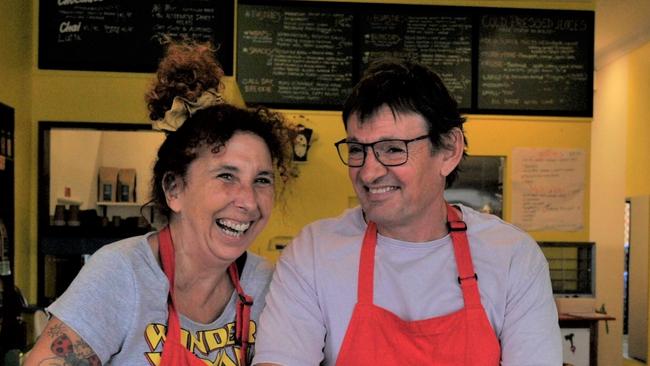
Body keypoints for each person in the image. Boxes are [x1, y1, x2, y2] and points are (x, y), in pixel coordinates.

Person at [253, 59, 562, 365]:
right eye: (357, 150)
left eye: (393, 149)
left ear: (449, 150)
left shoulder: (513, 258)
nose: (369, 172)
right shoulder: (313, 252)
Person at [24, 40, 296, 366]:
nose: (249, 201)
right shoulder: (122, 273)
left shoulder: (271, 285)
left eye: (262, 180)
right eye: (226, 176)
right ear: (174, 190)